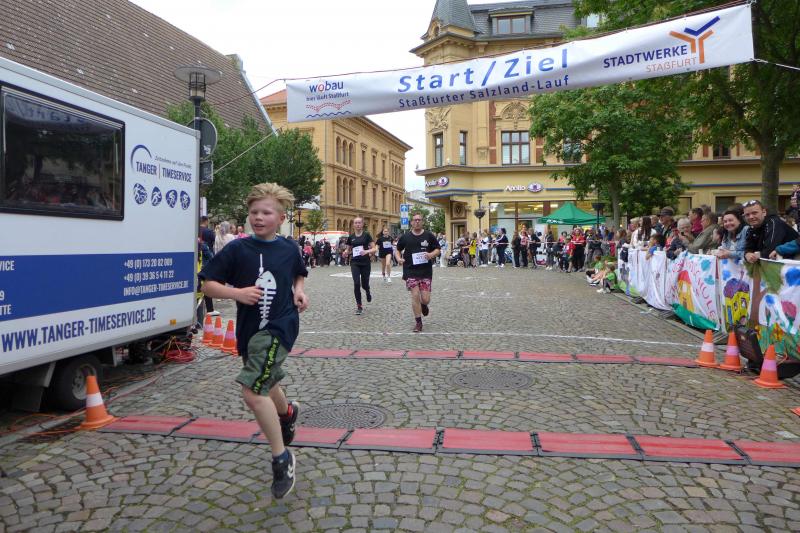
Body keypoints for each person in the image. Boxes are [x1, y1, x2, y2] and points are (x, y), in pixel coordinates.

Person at [199, 182, 309, 500]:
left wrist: (299, 291)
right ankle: (287, 414)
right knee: (266, 378)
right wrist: (237, 293)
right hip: (249, 330)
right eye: (254, 212)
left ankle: (282, 458)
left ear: (281, 218)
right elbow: (208, 285)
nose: (259, 217)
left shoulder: (289, 248)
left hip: (280, 326)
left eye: (266, 212)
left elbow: (299, 273)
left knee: (252, 390)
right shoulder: (237, 249)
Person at [395, 213, 441, 332]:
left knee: (425, 299)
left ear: (422, 222)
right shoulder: (405, 237)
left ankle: (424, 305)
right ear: (411, 222)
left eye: (419, 220)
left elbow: (438, 249)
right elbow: (397, 250)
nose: (417, 222)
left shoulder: (429, 235)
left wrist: (431, 254)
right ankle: (418, 322)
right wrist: (399, 258)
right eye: (415, 220)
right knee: (415, 295)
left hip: (425, 271)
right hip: (410, 270)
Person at [346, 217, 377, 314]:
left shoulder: (366, 235)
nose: (357, 224)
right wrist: (345, 252)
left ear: (362, 224)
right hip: (354, 262)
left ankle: (367, 290)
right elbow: (348, 249)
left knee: (364, 284)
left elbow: (374, 248)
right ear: (353, 225)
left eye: (359, 223)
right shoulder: (351, 237)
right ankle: (359, 306)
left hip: (365, 262)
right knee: (356, 283)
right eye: (356, 223)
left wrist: (366, 251)